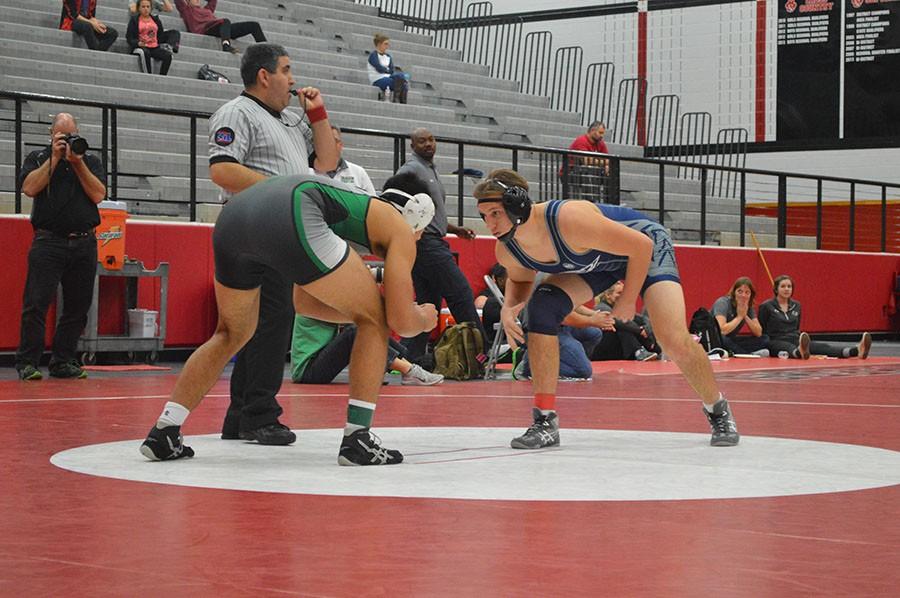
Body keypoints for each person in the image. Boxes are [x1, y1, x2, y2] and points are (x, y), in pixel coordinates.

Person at [139, 174, 438, 465]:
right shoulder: (399, 227)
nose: (420, 236)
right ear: (413, 216)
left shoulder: (347, 217)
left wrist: (368, 310)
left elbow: (304, 303)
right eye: (421, 230)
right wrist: (423, 318)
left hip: (235, 217)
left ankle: (165, 431)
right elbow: (401, 321)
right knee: (374, 321)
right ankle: (358, 439)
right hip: (292, 208)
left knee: (231, 332)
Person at [474, 168, 740, 449]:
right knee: (541, 308)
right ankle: (544, 421)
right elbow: (520, 278)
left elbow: (640, 246)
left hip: (643, 245)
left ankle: (718, 409)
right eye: (484, 216)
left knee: (671, 338)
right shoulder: (507, 248)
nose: (489, 224)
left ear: (518, 205)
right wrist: (508, 309)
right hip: (597, 262)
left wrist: (628, 300)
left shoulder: (568, 219)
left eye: (495, 213)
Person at [208, 43, 339, 445]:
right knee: (271, 321)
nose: (293, 79)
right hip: (254, 229)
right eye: (286, 70)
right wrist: (282, 192)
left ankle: (241, 414)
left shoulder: (288, 122)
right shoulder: (236, 113)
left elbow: (328, 162)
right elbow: (223, 169)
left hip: (277, 230)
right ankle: (260, 414)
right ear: (264, 76)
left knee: (258, 326)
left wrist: (317, 114)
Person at [15, 113, 106, 381]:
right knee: (36, 304)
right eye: (62, 136)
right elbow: (29, 189)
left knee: (78, 306)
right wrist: (55, 159)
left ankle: (63, 360)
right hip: (48, 240)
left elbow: (99, 194)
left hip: (84, 241)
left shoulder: (90, 161)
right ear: (51, 135)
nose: (67, 141)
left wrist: (77, 163)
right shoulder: (38, 158)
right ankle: (28, 362)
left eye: (71, 135)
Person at [395, 127, 484, 362]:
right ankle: (478, 354)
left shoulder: (430, 169)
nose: (428, 144)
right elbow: (396, 201)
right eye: (422, 141)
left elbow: (430, 213)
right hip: (426, 244)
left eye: (431, 139)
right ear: (412, 146)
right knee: (460, 293)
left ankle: (406, 358)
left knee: (428, 306)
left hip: (430, 242)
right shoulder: (411, 169)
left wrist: (454, 229)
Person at [291, 316, 444, 386]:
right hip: (308, 372)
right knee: (357, 330)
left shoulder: (319, 296)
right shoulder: (312, 302)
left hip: (317, 364)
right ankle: (408, 370)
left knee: (366, 327)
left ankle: (409, 366)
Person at [759, 274, 872, 359]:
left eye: (789, 286)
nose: (787, 289)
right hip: (775, 340)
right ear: (776, 289)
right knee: (787, 347)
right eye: (783, 286)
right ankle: (799, 353)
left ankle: (856, 351)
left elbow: (797, 326)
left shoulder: (796, 305)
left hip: (795, 338)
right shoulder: (766, 306)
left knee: (822, 347)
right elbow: (762, 329)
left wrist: (799, 339)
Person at [590, 280, 659, 361]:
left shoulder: (619, 309)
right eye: (619, 293)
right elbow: (618, 320)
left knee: (633, 323)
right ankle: (638, 351)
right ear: (608, 295)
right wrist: (640, 331)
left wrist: (646, 329)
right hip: (601, 351)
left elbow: (643, 319)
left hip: (617, 349)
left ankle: (653, 348)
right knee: (623, 327)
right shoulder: (600, 307)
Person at [174, 0, 266, 53]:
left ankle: (268, 50)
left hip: (221, 28)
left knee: (254, 25)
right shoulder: (186, 10)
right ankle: (226, 45)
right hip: (205, 29)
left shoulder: (207, 9)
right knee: (225, 21)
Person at [711, 277, 769, 356]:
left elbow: (758, 332)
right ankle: (746, 354)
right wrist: (739, 317)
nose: (743, 295)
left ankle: (733, 351)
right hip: (715, 338)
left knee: (765, 339)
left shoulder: (748, 307)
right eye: (740, 291)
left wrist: (745, 315)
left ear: (750, 295)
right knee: (723, 339)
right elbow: (722, 330)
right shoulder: (722, 303)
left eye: (747, 292)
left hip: (731, 339)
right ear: (734, 292)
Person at [320, 126, 376, 195]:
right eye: (326, 141)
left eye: (334, 140)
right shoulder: (309, 172)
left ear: (340, 145)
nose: (330, 144)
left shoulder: (359, 172)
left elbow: (373, 200)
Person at [562, 121, 609, 201]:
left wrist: (607, 166)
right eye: (600, 133)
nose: (602, 136)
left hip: (586, 172)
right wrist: (603, 163)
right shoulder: (581, 141)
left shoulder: (600, 143)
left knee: (609, 171)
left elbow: (608, 159)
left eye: (603, 133)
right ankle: (591, 201)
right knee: (589, 168)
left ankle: (609, 202)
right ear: (592, 131)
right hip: (570, 173)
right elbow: (587, 161)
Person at [126, 0, 176, 75]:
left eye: (148, 7)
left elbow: (160, 34)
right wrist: (138, 43)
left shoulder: (155, 20)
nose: (146, 9)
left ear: (151, 8)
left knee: (168, 56)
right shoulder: (134, 20)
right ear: (139, 8)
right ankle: (148, 75)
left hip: (154, 46)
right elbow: (129, 38)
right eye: (143, 7)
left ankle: (162, 76)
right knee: (145, 52)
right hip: (141, 47)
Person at [367, 33, 409, 103]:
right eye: (385, 44)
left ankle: (401, 102)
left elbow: (392, 70)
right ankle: (396, 100)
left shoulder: (388, 56)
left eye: (388, 44)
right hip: (378, 79)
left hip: (388, 77)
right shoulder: (373, 55)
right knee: (401, 83)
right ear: (379, 44)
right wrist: (387, 70)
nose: (387, 46)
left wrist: (386, 70)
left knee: (402, 79)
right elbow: (379, 69)